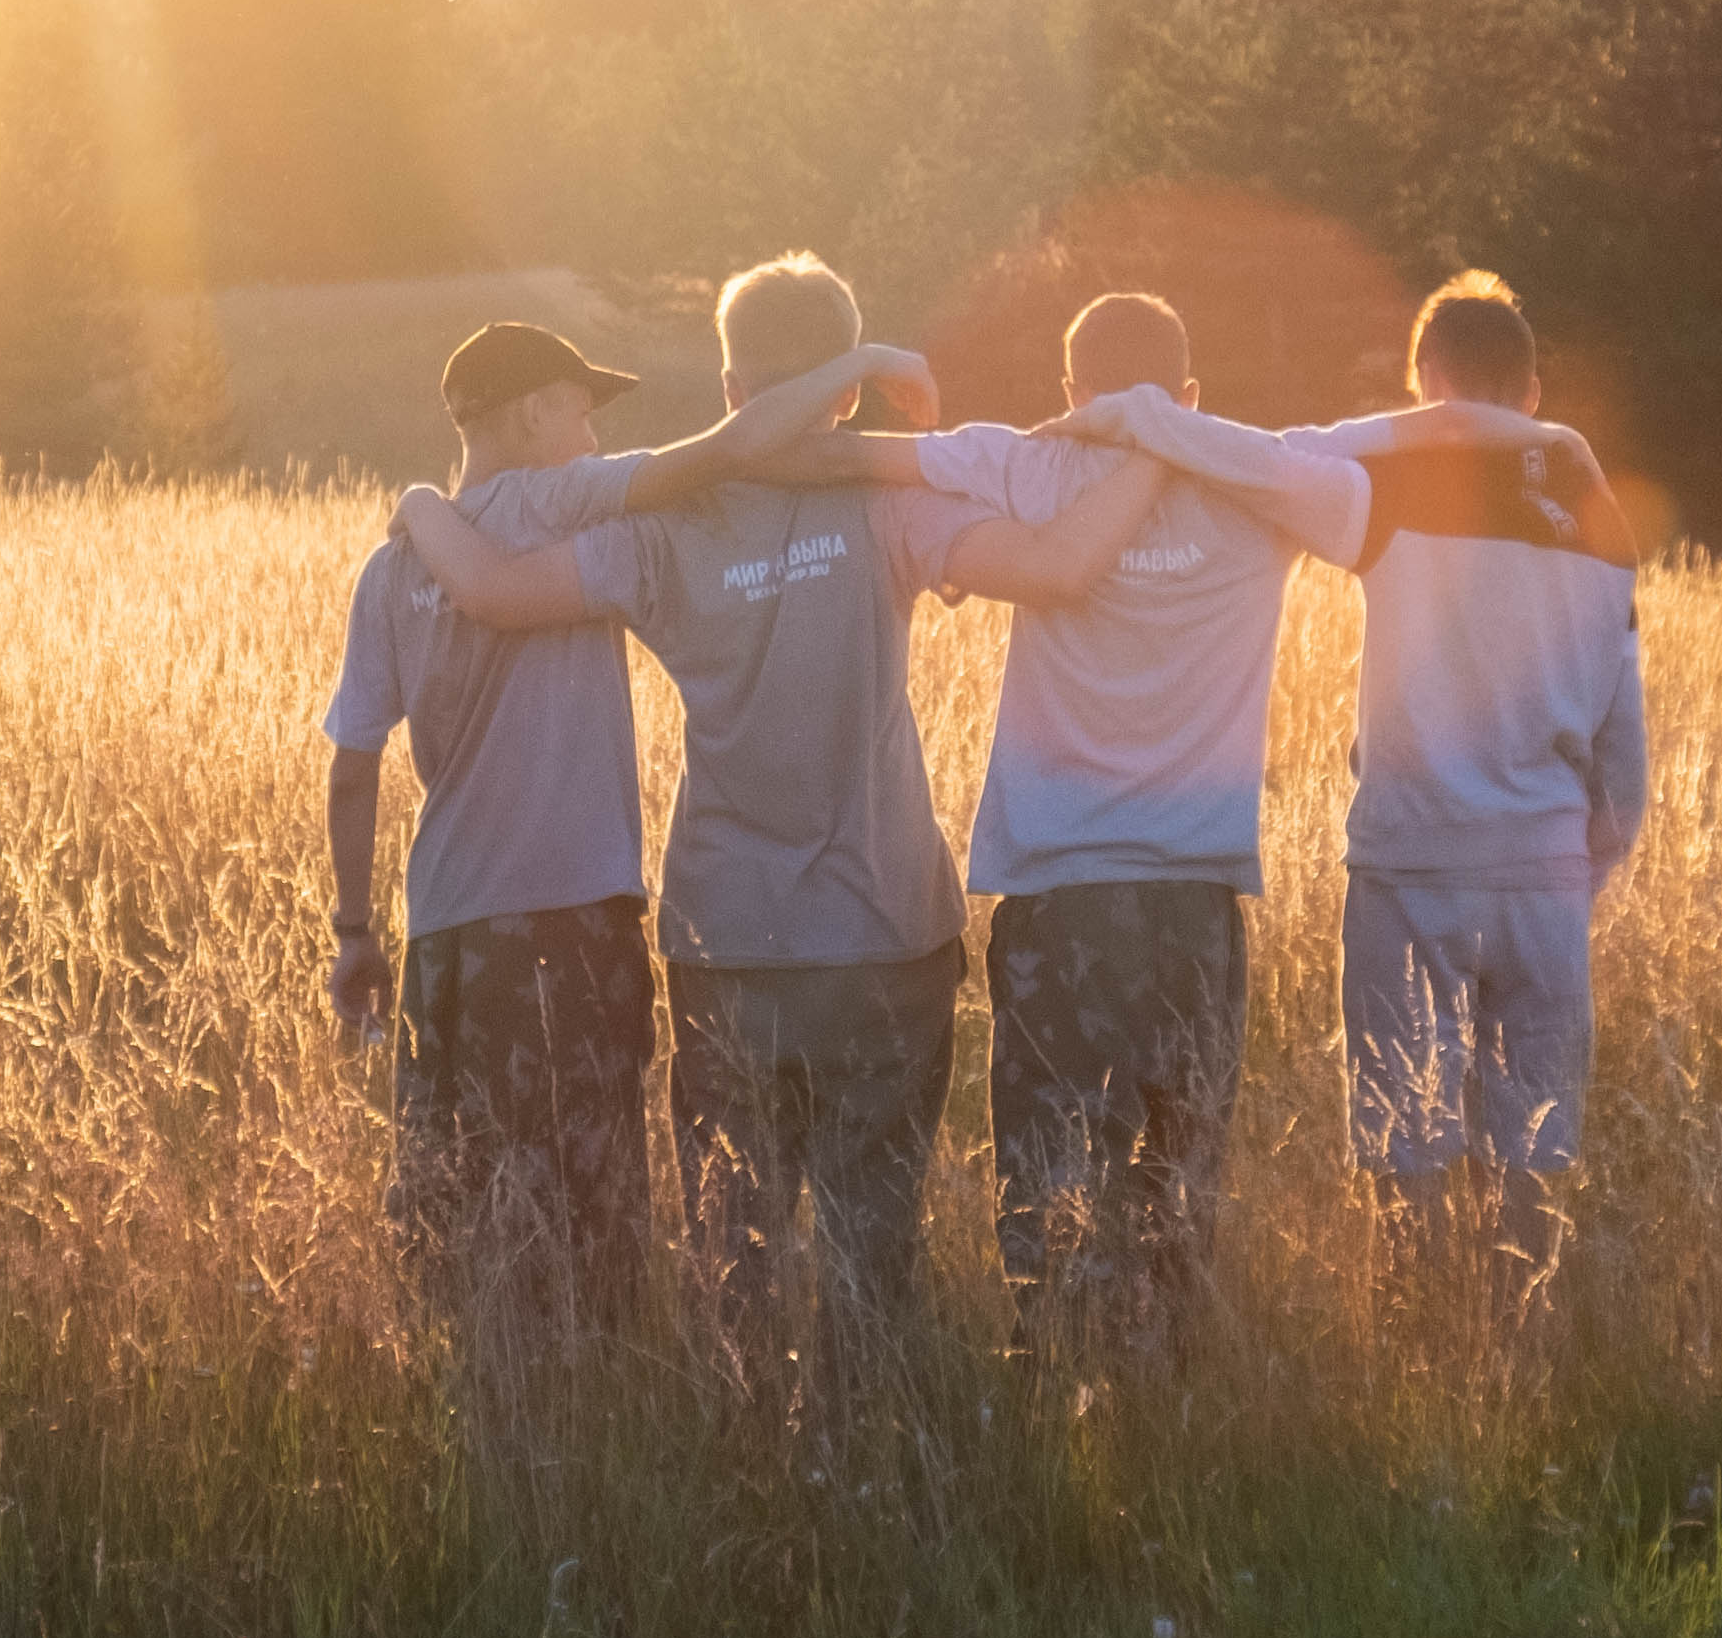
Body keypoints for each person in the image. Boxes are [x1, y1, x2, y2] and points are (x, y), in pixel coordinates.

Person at [390, 254, 1175, 1377]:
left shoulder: (662, 527)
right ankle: (868, 1448)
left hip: (727, 939)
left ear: (728, 388)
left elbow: (496, 594)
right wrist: (1160, 443)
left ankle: (748, 1455)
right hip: (886, 934)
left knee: (735, 1262)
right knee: (872, 1257)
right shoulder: (888, 502)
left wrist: (420, 504)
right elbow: (1056, 568)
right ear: (842, 395)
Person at [321, 310, 927, 1333]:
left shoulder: (392, 566)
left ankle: (477, 1382)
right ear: (527, 416)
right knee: (589, 1208)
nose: (595, 436)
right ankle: (592, 1385)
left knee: (449, 1192)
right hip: (570, 919)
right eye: (579, 411)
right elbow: (734, 448)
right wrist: (863, 361)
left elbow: (352, 765)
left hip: (445, 930)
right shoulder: (564, 501)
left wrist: (352, 927)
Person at [1051, 270, 1647, 1308]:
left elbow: (1267, 457)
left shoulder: (1394, 480)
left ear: (1425, 382)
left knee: (1405, 1140)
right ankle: (1521, 1339)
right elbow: (1622, 752)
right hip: (1547, 872)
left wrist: (1136, 415)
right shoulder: (1599, 519)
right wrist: (1576, 867)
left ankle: (1419, 1334)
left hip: (1413, 858)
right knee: (1532, 1146)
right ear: (1533, 392)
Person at [870, 288, 1371, 1356]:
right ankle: (1164, 1403)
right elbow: (1352, 497)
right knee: (1176, 1193)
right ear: (1189, 390)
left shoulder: (1033, 465)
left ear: (1071, 391)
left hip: (1059, 894)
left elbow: (862, 462)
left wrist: (1128, 425)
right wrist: (1172, 429)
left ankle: (1062, 1390)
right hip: (1193, 898)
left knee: (1050, 1189)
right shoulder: (1254, 481)